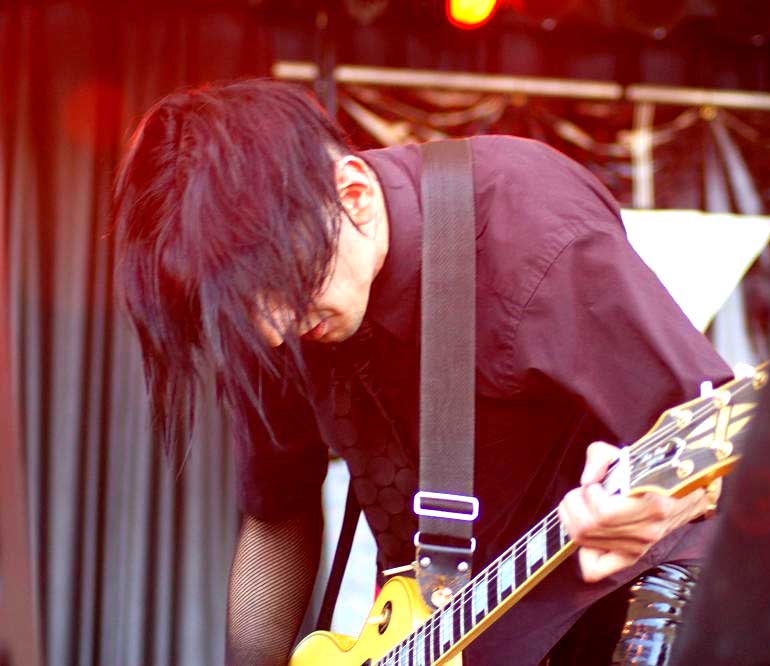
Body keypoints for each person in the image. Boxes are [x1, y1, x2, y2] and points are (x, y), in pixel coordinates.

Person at [112, 79, 732, 666]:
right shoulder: (271, 319)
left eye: (278, 286)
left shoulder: (527, 223)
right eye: (244, 311)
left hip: (629, 605)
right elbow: (279, 511)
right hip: (446, 633)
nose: (274, 332)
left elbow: (725, 435)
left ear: (353, 197)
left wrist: (671, 504)